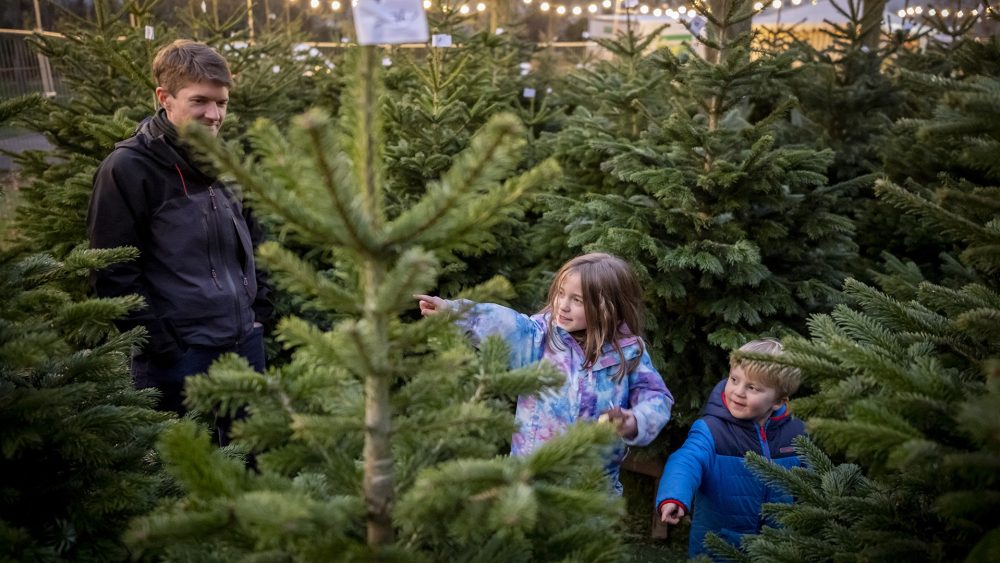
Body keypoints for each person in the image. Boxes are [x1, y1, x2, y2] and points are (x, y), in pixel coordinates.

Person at [87, 39, 272, 445]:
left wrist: (258, 314)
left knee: (253, 467)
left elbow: (257, 245)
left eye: (222, 102)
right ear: (164, 98)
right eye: (200, 101)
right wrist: (164, 346)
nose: (214, 114)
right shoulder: (129, 169)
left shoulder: (227, 163)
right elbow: (112, 271)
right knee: (179, 480)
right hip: (179, 358)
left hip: (244, 344)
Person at [416, 252, 673, 493]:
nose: (563, 305)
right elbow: (501, 324)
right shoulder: (541, 338)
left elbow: (656, 398)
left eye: (577, 300)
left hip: (594, 492)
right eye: (561, 294)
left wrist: (633, 421)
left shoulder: (628, 353)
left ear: (607, 307)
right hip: (531, 482)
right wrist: (455, 313)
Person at [654, 339, 805, 559]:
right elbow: (686, 460)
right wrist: (674, 497)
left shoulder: (796, 433)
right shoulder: (712, 429)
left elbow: (812, 480)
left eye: (752, 387)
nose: (738, 392)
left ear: (778, 401)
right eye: (734, 379)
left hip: (777, 548)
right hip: (718, 546)